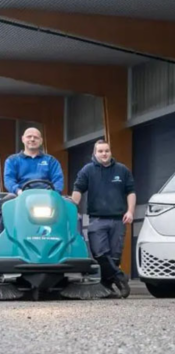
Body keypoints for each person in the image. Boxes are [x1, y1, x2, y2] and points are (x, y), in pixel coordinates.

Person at [71, 139, 135, 298]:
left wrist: (131, 211)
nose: (104, 154)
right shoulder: (87, 170)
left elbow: (131, 192)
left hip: (118, 220)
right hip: (96, 220)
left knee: (114, 256)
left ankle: (107, 289)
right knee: (100, 254)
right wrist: (72, 208)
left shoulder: (122, 170)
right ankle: (120, 278)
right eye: (100, 151)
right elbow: (78, 189)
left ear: (110, 152)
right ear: (95, 153)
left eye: (106, 150)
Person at [3, 127, 64, 195]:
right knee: (4, 203)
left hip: (47, 196)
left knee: (70, 203)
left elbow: (58, 180)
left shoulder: (51, 161)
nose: (32, 139)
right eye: (29, 136)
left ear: (41, 141)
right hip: (20, 196)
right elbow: (9, 180)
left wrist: (54, 193)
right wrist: (18, 191)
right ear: (23, 139)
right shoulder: (12, 160)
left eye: (36, 137)